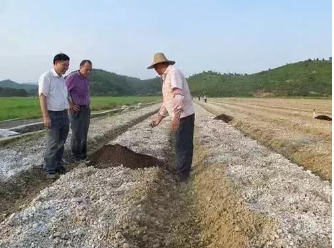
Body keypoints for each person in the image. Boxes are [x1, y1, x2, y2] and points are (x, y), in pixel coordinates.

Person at [148, 53, 195, 181]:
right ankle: (182, 168)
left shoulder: (173, 73)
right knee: (180, 143)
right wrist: (159, 118)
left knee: (183, 143)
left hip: (184, 115)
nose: (155, 70)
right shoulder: (166, 77)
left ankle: (183, 174)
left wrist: (176, 116)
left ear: (162, 64)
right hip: (180, 115)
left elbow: (178, 95)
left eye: (156, 67)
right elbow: (167, 101)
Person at [38, 53, 73, 179]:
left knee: (61, 142)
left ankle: (58, 164)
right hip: (53, 114)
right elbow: (43, 96)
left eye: (68, 65)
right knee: (53, 143)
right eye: (64, 65)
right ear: (56, 63)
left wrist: (69, 107)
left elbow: (64, 96)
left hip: (64, 114)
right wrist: (46, 116)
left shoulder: (62, 79)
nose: (66, 68)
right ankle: (49, 169)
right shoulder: (47, 77)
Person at [65, 60, 92, 162]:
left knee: (84, 131)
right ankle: (75, 156)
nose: (88, 72)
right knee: (77, 133)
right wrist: (70, 104)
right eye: (86, 69)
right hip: (77, 110)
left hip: (86, 109)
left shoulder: (86, 79)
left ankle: (83, 154)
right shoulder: (73, 77)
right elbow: (64, 91)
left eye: (90, 70)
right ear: (80, 67)